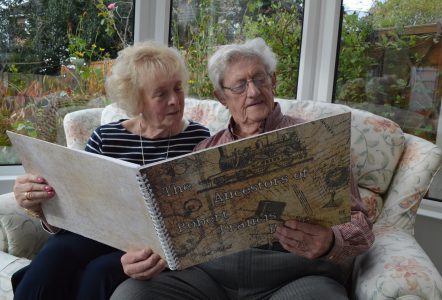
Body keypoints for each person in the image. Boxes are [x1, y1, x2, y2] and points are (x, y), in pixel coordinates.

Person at [110, 38, 375, 299]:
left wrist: (330, 240)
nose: (253, 92)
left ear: (273, 81)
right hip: (210, 278)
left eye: (260, 79)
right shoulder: (203, 152)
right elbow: (178, 232)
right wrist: (143, 257)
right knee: (132, 294)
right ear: (221, 97)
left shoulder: (318, 138)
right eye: (239, 86)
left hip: (294, 275)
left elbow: (361, 226)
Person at [11, 41, 211, 300]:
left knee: (99, 272)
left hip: (157, 242)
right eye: (161, 94)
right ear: (138, 101)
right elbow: (80, 208)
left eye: (178, 88)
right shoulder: (106, 137)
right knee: (52, 258)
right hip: (101, 233)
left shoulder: (199, 138)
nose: (174, 101)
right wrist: (39, 205)